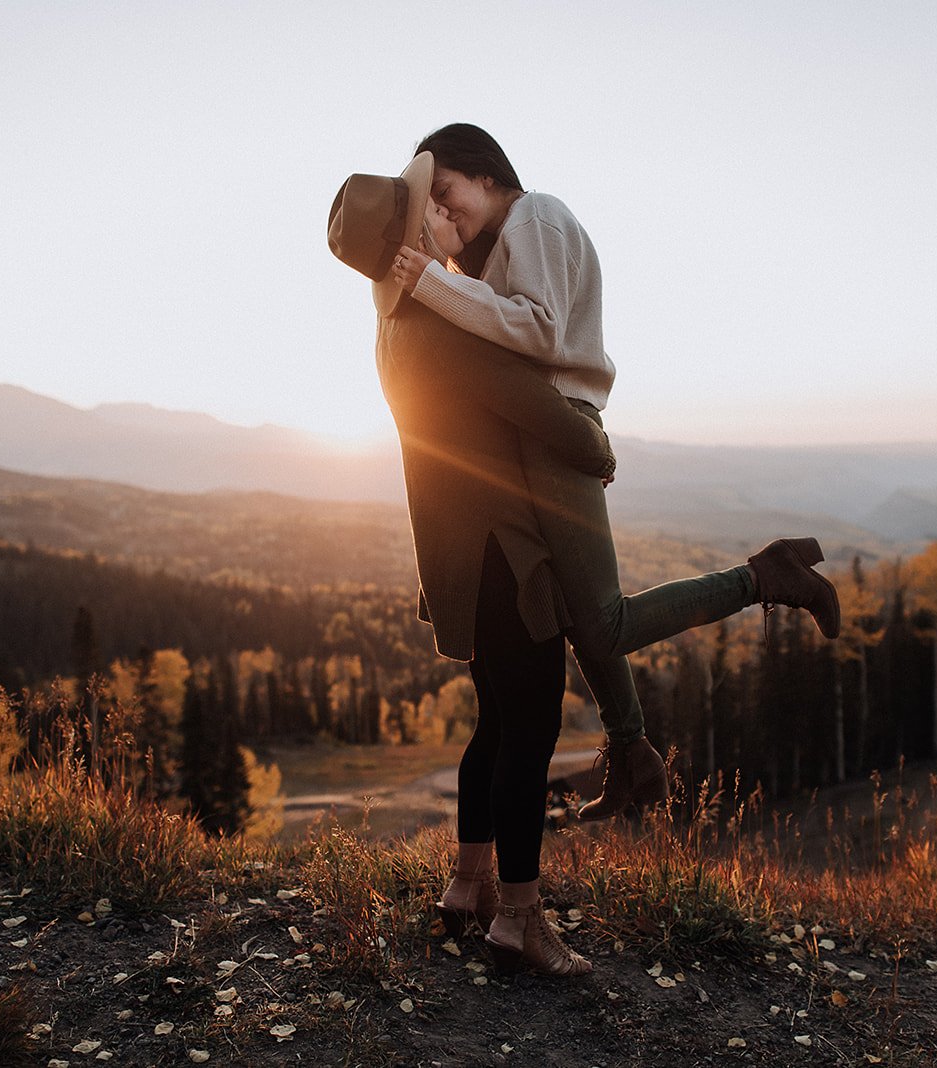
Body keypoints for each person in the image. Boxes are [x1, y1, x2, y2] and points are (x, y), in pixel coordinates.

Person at [329, 151, 839, 977]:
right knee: (527, 730)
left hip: (459, 552)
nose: (444, 221)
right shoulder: (441, 324)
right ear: (406, 235)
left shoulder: (393, 332)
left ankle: (469, 886)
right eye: (430, 210)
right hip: (504, 553)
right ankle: (519, 923)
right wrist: (595, 446)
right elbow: (536, 405)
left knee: (496, 723)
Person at [392, 124, 839, 821]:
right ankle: (631, 752)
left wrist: (429, 279)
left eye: (447, 193)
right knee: (568, 611)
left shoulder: (535, 213)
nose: (447, 213)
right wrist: (442, 270)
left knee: (601, 624)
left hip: (556, 422)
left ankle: (767, 576)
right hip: (542, 426)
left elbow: (538, 331)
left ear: (484, 171)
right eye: (435, 209)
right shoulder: (498, 248)